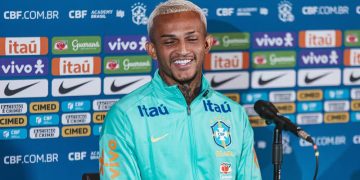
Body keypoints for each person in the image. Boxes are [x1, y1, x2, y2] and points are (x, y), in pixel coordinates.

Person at [99, 0, 262, 179]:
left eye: (192, 39)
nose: (182, 50)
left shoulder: (234, 114)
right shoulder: (125, 116)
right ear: (152, 50)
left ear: (207, 44)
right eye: (170, 42)